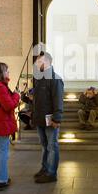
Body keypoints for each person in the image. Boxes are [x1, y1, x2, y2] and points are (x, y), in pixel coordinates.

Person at [32, 52, 64, 184]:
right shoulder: (39, 79)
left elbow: (58, 101)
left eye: (38, 62)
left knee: (52, 146)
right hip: (40, 118)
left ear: (46, 62)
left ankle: (51, 173)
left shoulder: (55, 79)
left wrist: (57, 119)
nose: (36, 64)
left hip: (51, 120)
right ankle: (45, 168)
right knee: (45, 146)